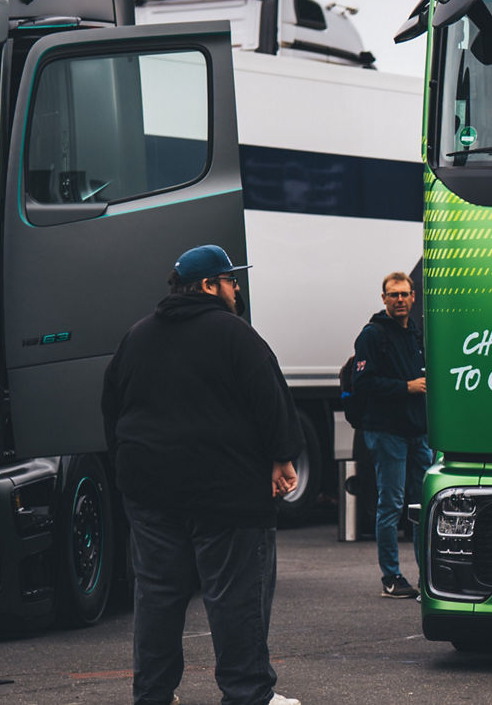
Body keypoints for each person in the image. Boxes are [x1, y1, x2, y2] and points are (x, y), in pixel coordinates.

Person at [101, 244, 303, 705]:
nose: (237, 289)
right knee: (235, 597)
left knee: (157, 596)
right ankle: (247, 693)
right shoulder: (235, 334)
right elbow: (270, 400)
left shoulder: (137, 336)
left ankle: (153, 694)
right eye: (232, 280)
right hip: (227, 492)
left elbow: (111, 408)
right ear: (210, 286)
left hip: (150, 492)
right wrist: (282, 457)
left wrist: (126, 471)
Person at [353, 265, 432, 598]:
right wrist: (406, 387)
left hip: (417, 432)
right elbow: (364, 383)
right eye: (393, 294)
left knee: (421, 505)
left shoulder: (414, 333)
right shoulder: (372, 335)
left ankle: (425, 575)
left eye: (405, 294)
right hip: (387, 432)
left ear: (414, 298)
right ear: (383, 298)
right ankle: (391, 577)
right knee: (391, 504)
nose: (400, 299)